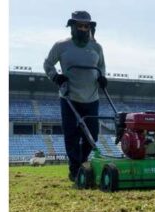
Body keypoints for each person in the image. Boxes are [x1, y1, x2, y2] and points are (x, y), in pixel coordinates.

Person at [44, 10, 107, 182]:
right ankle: (75, 169)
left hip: (92, 98)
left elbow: (101, 66)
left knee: (92, 135)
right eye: (79, 25)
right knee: (71, 135)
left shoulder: (96, 47)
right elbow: (48, 63)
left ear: (90, 28)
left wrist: (102, 77)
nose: (83, 29)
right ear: (72, 27)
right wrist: (55, 77)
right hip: (69, 97)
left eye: (86, 26)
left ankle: (83, 163)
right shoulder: (61, 46)